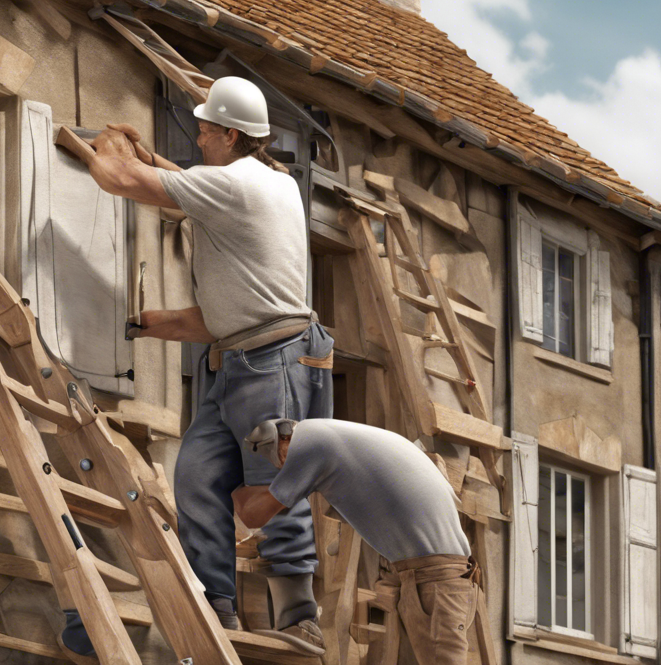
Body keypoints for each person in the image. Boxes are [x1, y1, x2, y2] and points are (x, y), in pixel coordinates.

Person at [61, 76, 334, 657]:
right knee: (196, 476)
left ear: (232, 135)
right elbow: (197, 197)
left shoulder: (234, 186)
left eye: (207, 131)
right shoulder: (271, 182)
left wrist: (110, 147)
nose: (200, 138)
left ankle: (297, 618)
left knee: (274, 484)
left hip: (273, 362)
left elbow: (119, 181)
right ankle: (216, 602)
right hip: (243, 359)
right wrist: (149, 322)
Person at [234, 418, 477, 665]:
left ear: (284, 438)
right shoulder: (347, 439)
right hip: (433, 575)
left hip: (436, 580)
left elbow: (255, 515)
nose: (283, 466)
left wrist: (228, 491)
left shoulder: (311, 440)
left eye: (280, 458)